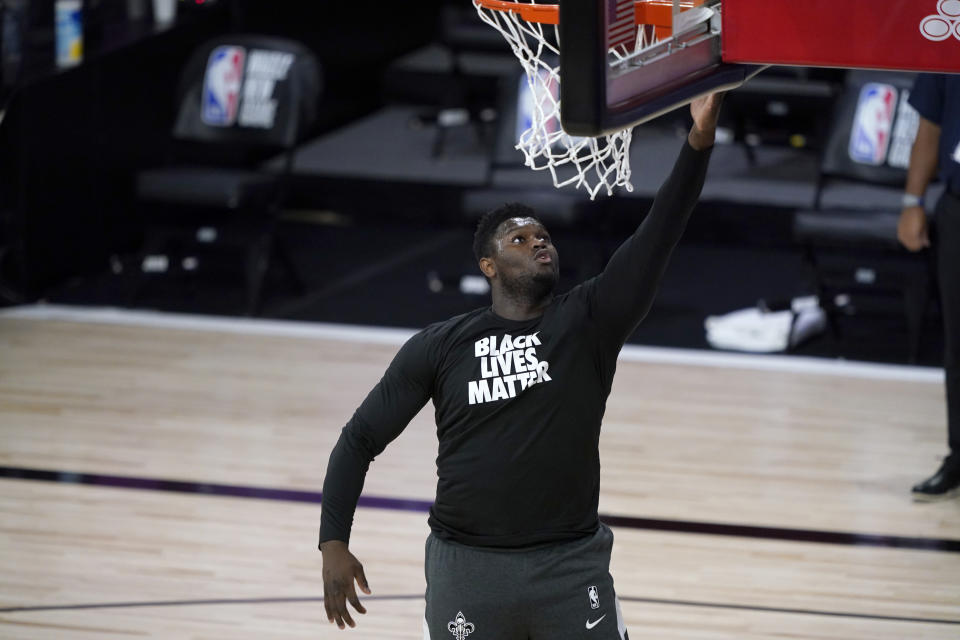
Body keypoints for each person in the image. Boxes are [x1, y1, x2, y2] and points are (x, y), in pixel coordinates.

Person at [318, 92, 724, 638]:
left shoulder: (589, 320)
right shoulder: (439, 345)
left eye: (544, 237)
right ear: (489, 264)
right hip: (467, 568)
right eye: (520, 238)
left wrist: (698, 140)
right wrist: (334, 544)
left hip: (568, 564)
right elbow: (359, 439)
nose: (539, 243)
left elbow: (660, 231)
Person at [898, 73, 960, 502]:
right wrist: (911, 202)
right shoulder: (949, 31)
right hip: (958, 205)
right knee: (958, 346)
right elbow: (930, 126)